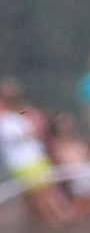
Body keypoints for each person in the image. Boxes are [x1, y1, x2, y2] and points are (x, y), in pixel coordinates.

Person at [0, 82, 73, 223]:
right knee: (41, 196)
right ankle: (58, 222)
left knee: (51, 192)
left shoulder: (18, 115)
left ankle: (63, 220)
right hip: (23, 163)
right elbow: (20, 136)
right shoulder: (5, 120)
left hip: (36, 159)